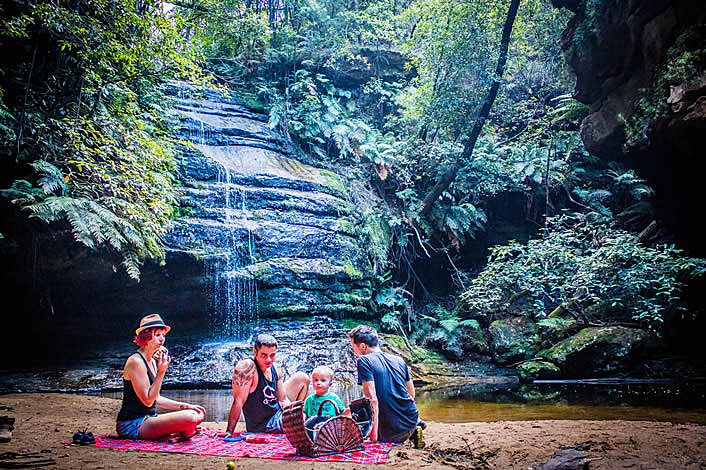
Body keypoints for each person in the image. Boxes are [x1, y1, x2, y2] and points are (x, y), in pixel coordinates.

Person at [116, 314, 206, 441]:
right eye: (157, 335)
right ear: (146, 336)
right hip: (133, 424)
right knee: (190, 418)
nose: (162, 339)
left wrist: (186, 405)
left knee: (197, 413)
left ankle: (181, 432)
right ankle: (184, 432)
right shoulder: (136, 362)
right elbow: (147, 401)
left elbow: (156, 399)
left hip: (150, 419)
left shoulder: (151, 361)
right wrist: (161, 372)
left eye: (163, 335)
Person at [222, 334, 309, 436]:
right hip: (265, 425)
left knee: (302, 378)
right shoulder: (247, 368)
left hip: (277, 414)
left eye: (272, 355)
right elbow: (238, 401)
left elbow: (282, 400)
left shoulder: (275, 368)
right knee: (307, 422)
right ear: (255, 352)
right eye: (264, 355)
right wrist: (229, 431)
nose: (268, 360)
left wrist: (294, 415)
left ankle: (297, 423)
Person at [348, 325, 422, 444]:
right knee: (356, 406)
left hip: (391, 432)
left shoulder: (364, 360)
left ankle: (389, 433)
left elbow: (372, 400)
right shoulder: (398, 359)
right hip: (410, 421)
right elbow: (411, 394)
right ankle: (415, 427)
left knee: (359, 407)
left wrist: (373, 436)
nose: (354, 351)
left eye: (353, 346)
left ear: (362, 346)